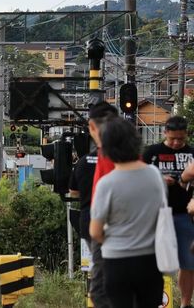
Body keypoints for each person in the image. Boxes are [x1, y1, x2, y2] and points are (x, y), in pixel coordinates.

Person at [90, 117, 165, 308]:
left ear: (107, 148)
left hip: (117, 261)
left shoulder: (106, 184)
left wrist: (116, 239)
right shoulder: (155, 176)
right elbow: (161, 212)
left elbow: (95, 232)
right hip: (150, 260)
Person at [144, 116, 194, 308]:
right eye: (172, 138)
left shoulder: (191, 153)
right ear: (165, 133)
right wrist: (158, 178)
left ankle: (185, 303)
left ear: (186, 135)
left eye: (180, 139)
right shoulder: (152, 152)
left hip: (185, 215)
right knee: (153, 260)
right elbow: (139, 176)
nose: (176, 143)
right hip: (157, 214)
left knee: (188, 263)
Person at [85, 101, 118, 308]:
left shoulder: (107, 154)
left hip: (109, 233)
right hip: (134, 237)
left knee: (101, 293)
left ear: (91, 127)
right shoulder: (136, 157)